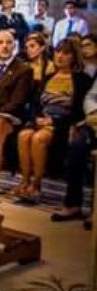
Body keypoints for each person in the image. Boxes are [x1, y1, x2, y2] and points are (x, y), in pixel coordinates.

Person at [16, 39, 91, 202]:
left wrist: (53, 122)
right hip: (42, 119)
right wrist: (37, 118)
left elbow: (80, 110)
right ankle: (25, 181)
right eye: (58, 52)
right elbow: (36, 103)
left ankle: (36, 185)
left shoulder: (82, 79)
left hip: (63, 123)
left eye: (66, 53)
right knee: (23, 135)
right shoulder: (49, 77)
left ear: (74, 56)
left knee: (38, 138)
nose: (60, 56)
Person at [52, 77, 96, 226]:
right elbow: (91, 96)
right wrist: (93, 111)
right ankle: (73, 204)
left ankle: (95, 210)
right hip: (94, 121)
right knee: (77, 146)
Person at [0, 30, 33, 120]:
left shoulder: (24, 70)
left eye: (9, 42)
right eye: (0, 42)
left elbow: (16, 103)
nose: (5, 46)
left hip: (6, 117)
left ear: (14, 46)